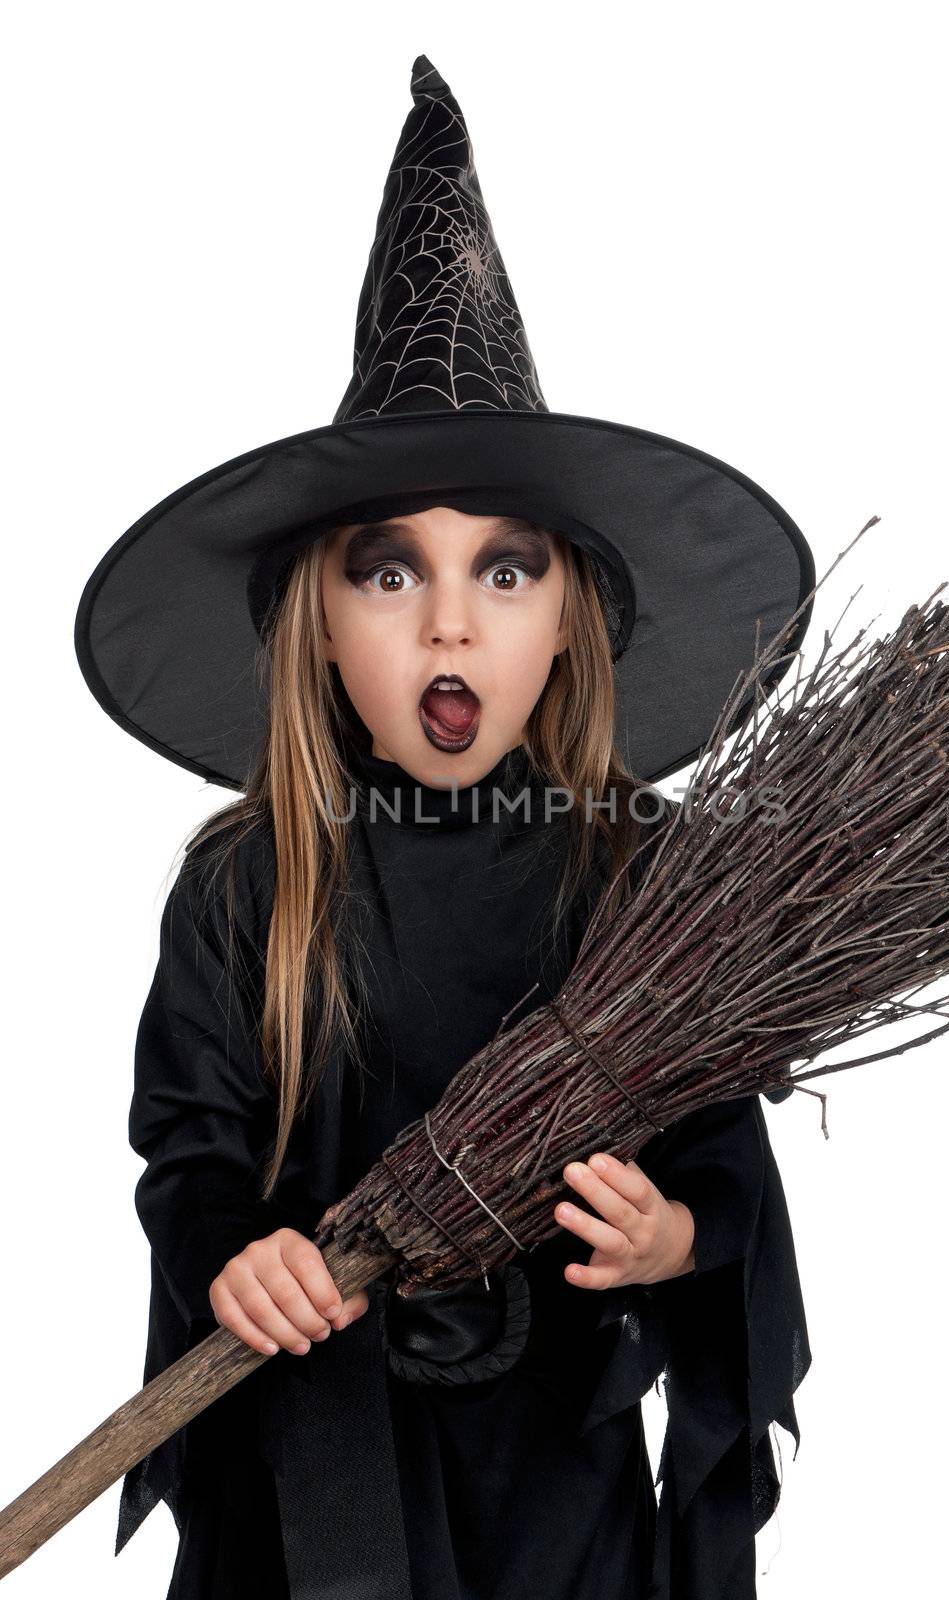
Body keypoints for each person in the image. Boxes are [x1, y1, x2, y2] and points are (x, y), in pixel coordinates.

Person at [76, 54, 814, 1600]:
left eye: (508, 568)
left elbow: (728, 1187)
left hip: (563, 1496)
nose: (450, 628)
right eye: (391, 571)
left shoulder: (644, 878)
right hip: (315, 1484)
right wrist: (238, 1251)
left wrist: (670, 1237)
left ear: (572, 621)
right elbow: (188, 1151)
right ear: (319, 622)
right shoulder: (248, 886)